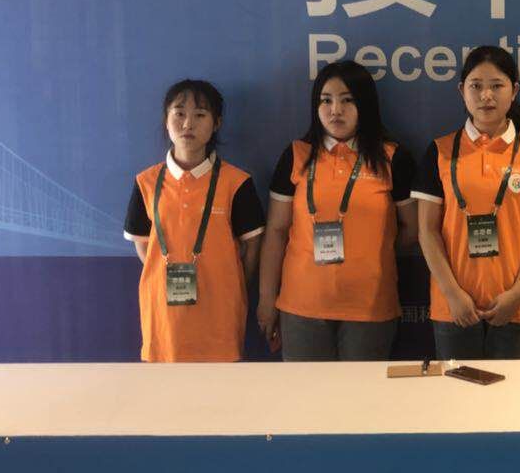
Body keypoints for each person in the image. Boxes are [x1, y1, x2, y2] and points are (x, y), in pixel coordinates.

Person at [257, 61, 417, 361]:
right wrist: (267, 299)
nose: (335, 110)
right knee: (307, 392)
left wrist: (373, 248)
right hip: (301, 307)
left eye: (347, 100)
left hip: (370, 308)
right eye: (326, 101)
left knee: (361, 393)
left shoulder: (392, 158)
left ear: (365, 104)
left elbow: (413, 229)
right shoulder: (296, 155)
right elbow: (276, 232)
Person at [413, 46, 520, 360]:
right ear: (462, 91)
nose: (486, 96)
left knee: (515, 392)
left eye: (497, 85)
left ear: (514, 91)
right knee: (456, 391)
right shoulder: (439, 151)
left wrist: (518, 293)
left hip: (516, 307)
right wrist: (453, 294)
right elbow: (427, 231)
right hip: (454, 307)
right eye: (476, 86)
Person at [123, 79, 264, 362]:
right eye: (179, 113)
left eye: (200, 115)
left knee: (220, 387)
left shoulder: (237, 182)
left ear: (216, 123)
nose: (188, 124)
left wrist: (227, 280)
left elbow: (252, 250)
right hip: (164, 317)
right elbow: (143, 246)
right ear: (166, 120)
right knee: (166, 386)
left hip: (220, 313)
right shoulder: (146, 182)